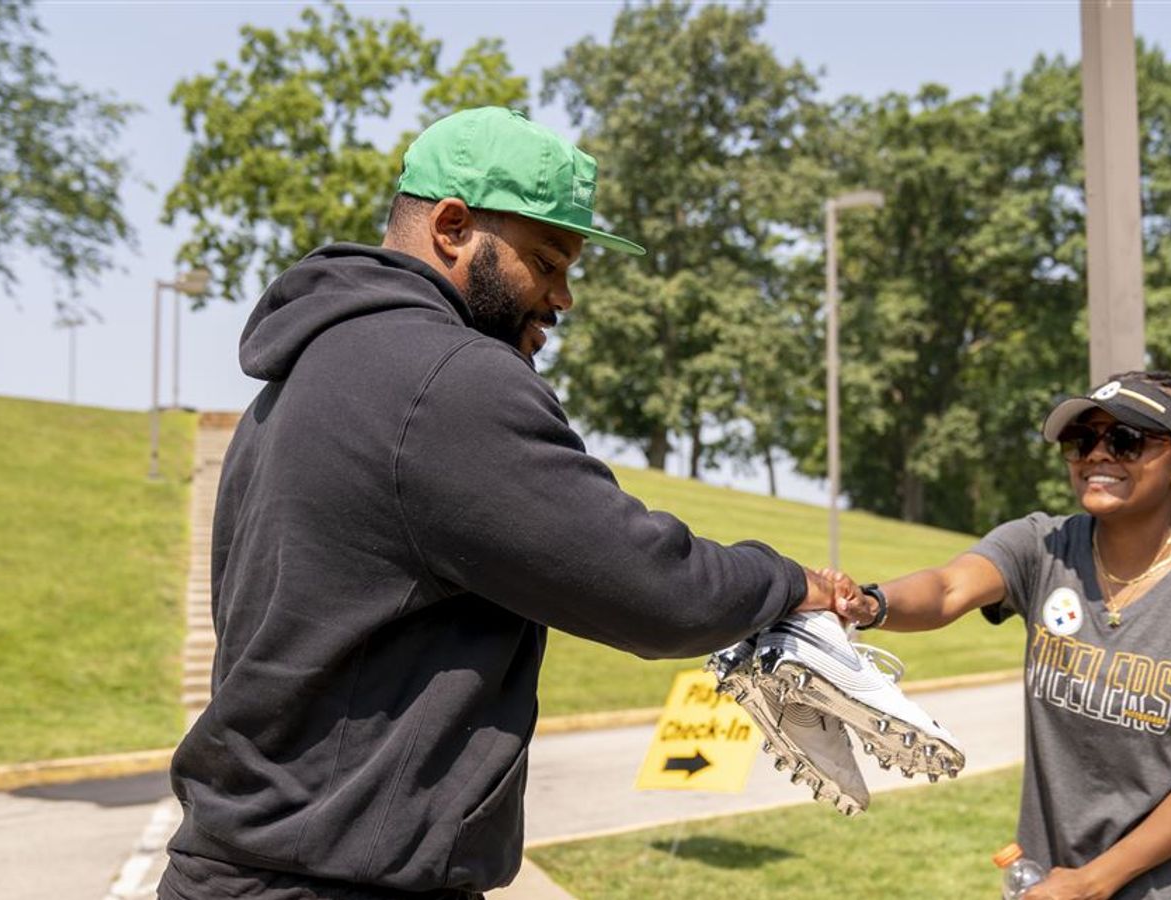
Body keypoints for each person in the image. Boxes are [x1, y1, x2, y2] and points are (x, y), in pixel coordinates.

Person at [158, 107, 860, 900]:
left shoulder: (307, 370)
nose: (563, 296)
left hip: (244, 870)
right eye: (546, 260)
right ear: (453, 227)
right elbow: (653, 589)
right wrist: (789, 582)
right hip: (329, 883)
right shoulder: (446, 379)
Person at [829, 371, 1171, 899]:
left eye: (1125, 441)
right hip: (1050, 882)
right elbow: (948, 588)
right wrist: (870, 603)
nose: (1096, 455)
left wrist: (1095, 881)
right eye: (1081, 440)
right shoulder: (1042, 546)